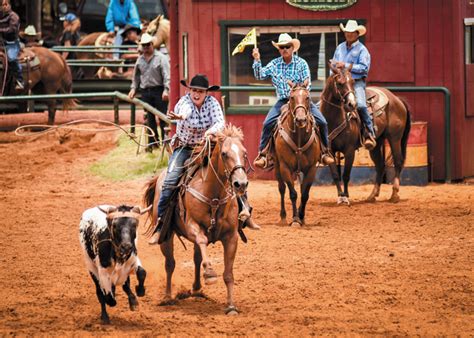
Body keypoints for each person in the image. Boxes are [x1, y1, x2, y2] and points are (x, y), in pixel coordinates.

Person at [148, 74, 260, 244]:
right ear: (190, 91)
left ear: (206, 93)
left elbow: (220, 122)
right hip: (185, 147)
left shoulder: (212, 104)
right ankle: (161, 223)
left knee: (232, 169)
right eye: (194, 90)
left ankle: (245, 210)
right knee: (170, 180)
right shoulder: (184, 103)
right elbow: (185, 111)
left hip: (209, 146)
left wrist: (209, 133)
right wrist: (182, 117)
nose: (196, 94)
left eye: (200, 91)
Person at [252, 33, 334, 169]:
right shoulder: (274, 64)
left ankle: (325, 152)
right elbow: (260, 75)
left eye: (287, 46)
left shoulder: (301, 64)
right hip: (283, 100)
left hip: (301, 100)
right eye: (282, 47)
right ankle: (263, 154)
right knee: (267, 123)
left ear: (292, 48)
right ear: (279, 49)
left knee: (322, 122)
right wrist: (257, 60)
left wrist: (298, 92)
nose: (285, 49)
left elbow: (308, 85)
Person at [331, 19, 376, 150]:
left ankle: (369, 132)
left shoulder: (362, 50)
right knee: (323, 104)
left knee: (361, 105)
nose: (349, 34)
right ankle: (324, 136)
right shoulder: (340, 48)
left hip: (356, 82)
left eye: (352, 32)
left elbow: (364, 68)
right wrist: (333, 71)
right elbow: (333, 64)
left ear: (357, 34)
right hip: (340, 83)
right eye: (347, 32)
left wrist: (345, 65)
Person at [128, 33, 169, 151]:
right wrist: (133, 88)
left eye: (147, 45)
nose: (145, 48)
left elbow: (167, 75)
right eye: (143, 46)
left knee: (162, 118)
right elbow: (136, 76)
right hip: (145, 91)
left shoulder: (161, 58)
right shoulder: (140, 60)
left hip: (159, 90)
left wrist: (166, 90)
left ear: (152, 45)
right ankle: (153, 144)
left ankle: (165, 142)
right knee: (149, 119)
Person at [0, 0, 23, 90]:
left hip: (12, 43)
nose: (4, 7)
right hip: (2, 42)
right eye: (2, 5)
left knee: (12, 58)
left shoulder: (14, 16)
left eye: (6, 4)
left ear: (9, 5)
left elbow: (11, 29)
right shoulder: (1, 16)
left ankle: (20, 80)